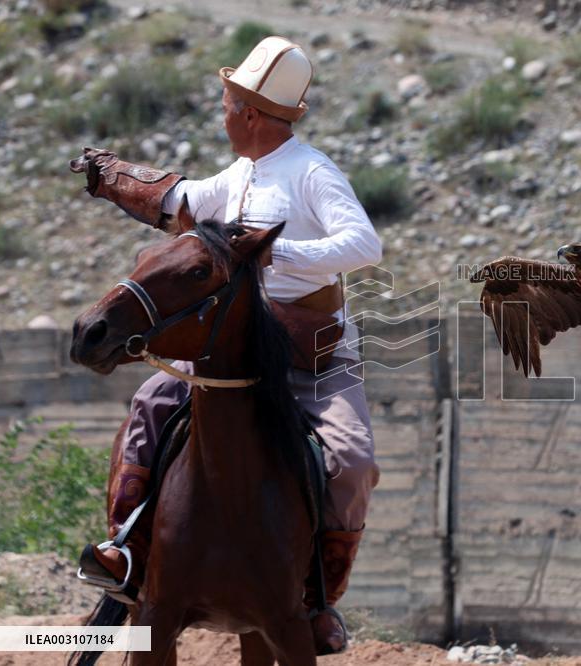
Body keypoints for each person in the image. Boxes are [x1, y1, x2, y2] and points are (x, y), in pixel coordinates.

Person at [69, 36, 382, 655]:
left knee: (351, 461)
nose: (222, 112)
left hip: (311, 357)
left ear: (251, 113)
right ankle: (127, 553)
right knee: (150, 407)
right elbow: (181, 201)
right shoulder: (240, 173)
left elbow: (364, 246)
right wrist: (113, 177)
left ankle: (317, 602)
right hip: (232, 349)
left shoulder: (314, 173)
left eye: (227, 101)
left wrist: (269, 252)